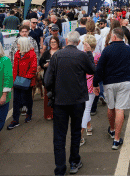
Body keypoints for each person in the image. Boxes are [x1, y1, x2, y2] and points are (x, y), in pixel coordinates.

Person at [44, 31, 96, 175]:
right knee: (75, 132)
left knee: (59, 135)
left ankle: (60, 168)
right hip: (77, 100)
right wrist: (89, 52)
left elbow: (47, 81)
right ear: (78, 42)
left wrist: (52, 91)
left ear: (66, 40)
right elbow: (92, 70)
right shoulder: (82, 55)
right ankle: (74, 161)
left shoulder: (56, 56)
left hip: (60, 101)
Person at [93, 28, 130, 150]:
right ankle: (117, 140)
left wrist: (95, 83)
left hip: (109, 83)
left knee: (111, 107)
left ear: (113, 37)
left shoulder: (107, 50)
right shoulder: (129, 49)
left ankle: (112, 129)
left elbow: (100, 68)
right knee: (120, 109)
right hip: (124, 82)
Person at [7, 37, 38, 129]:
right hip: (18, 81)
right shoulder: (17, 53)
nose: (17, 45)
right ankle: (15, 120)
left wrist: (25, 79)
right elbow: (14, 68)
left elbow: (33, 68)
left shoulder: (32, 54)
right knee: (16, 101)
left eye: (19, 44)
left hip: (27, 82)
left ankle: (29, 113)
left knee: (27, 99)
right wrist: (14, 80)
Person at [81, 35, 101, 145]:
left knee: (84, 109)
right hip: (92, 84)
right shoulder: (97, 56)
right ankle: (82, 132)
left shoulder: (80, 56)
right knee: (87, 109)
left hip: (81, 84)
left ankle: (87, 128)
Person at [40, 35, 61, 120]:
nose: (53, 44)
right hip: (48, 78)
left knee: (58, 97)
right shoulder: (46, 53)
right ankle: (49, 114)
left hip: (59, 78)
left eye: (54, 42)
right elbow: (41, 63)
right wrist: (45, 65)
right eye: (51, 42)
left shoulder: (61, 52)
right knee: (48, 96)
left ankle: (58, 114)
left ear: (58, 43)